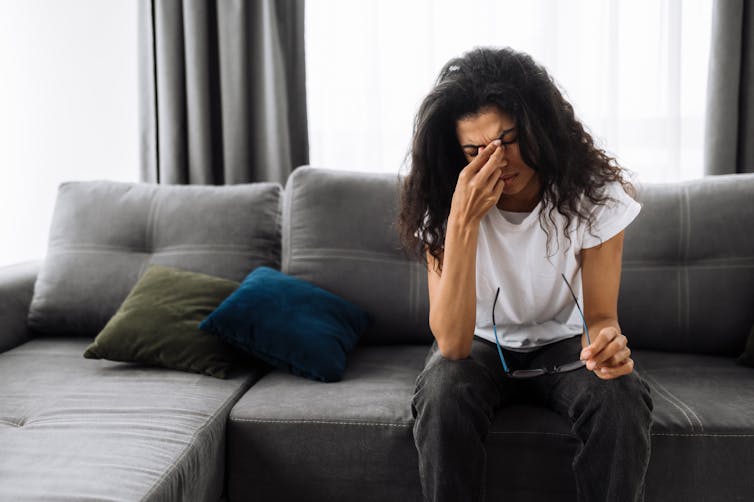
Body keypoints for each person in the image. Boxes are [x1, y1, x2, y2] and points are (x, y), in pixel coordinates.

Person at [396, 47, 654, 502]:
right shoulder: (445, 202)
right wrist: (462, 221)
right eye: (475, 151)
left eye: (508, 140)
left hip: (566, 344)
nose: (496, 161)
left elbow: (599, 315)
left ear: (538, 126)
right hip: (479, 345)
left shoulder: (593, 195)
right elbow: (453, 344)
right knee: (442, 390)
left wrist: (607, 342)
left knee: (620, 398)